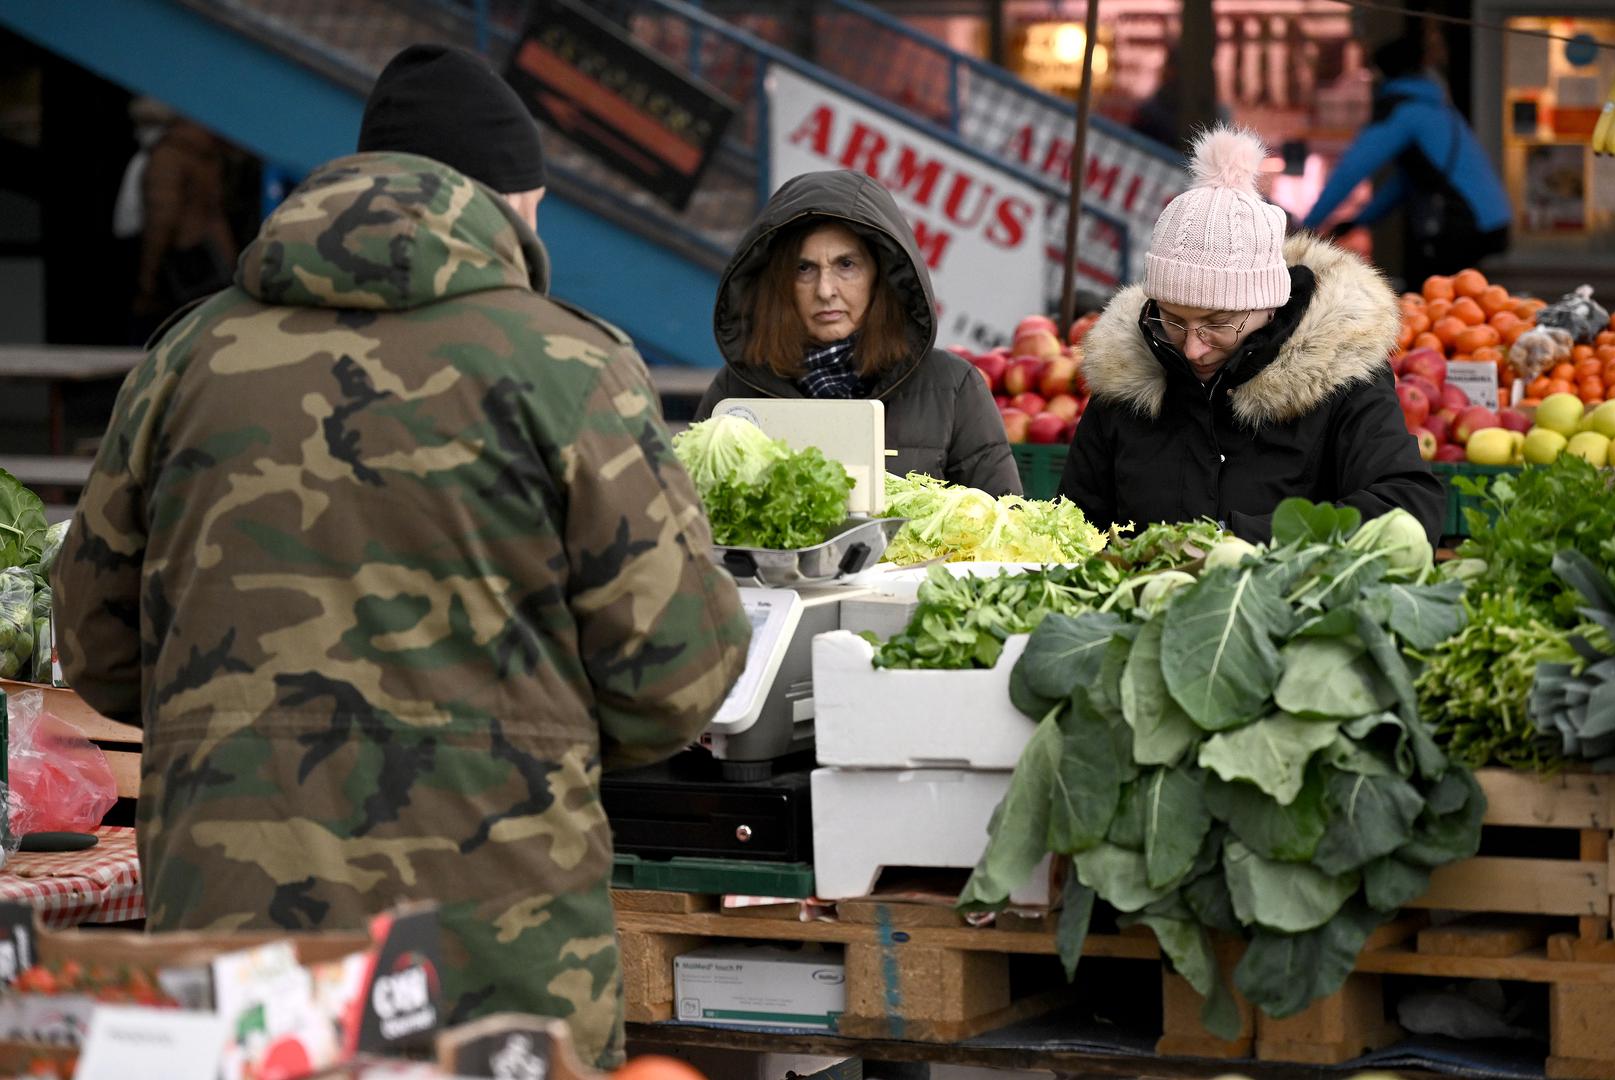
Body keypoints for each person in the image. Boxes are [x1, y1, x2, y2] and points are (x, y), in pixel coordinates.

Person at [53, 43, 749, 1071]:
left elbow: (97, 649)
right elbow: (679, 673)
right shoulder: (566, 361)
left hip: (237, 928)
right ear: (510, 200)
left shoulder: (187, 355)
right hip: (493, 941)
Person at [1058, 126, 1443, 545]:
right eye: (1173, 320)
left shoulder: (1340, 377)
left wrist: (1234, 542)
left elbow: (1409, 508)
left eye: (1218, 323)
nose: (1192, 347)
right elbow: (1072, 529)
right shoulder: (1125, 380)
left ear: (1269, 305)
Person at [697, 170, 1022, 497]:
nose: (825, 290)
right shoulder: (735, 389)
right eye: (804, 268)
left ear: (880, 274)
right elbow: (692, 518)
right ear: (781, 283)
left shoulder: (952, 386)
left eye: (846, 265)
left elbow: (1006, 526)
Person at [1301, 34, 1512, 283]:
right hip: (1489, 222)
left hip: (1461, 222)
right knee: (1451, 300)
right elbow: (1404, 183)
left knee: (1433, 298)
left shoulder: (1404, 110)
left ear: (1382, 74)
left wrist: (1307, 227)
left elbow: (1351, 170)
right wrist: (1360, 220)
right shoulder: (1435, 107)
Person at [129, 115, 241, 343]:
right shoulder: (208, 155)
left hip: (183, 266)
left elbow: (162, 219)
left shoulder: (168, 156)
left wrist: (147, 281)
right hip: (216, 260)